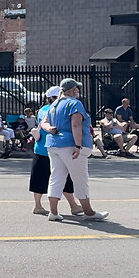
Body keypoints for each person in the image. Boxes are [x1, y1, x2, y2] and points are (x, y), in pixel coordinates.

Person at [43, 78, 109, 222]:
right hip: (70, 144)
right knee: (80, 178)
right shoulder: (75, 103)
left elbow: (44, 122)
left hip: (53, 144)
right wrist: (78, 146)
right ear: (73, 90)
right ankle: (88, 212)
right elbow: (76, 125)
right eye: (77, 88)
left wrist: (49, 130)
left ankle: (53, 212)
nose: (78, 91)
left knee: (56, 177)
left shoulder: (54, 104)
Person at [29, 86, 83, 216]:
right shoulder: (49, 110)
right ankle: (39, 205)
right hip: (51, 147)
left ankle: (72, 205)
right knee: (57, 177)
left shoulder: (46, 109)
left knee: (55, 177)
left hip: (45, 147)